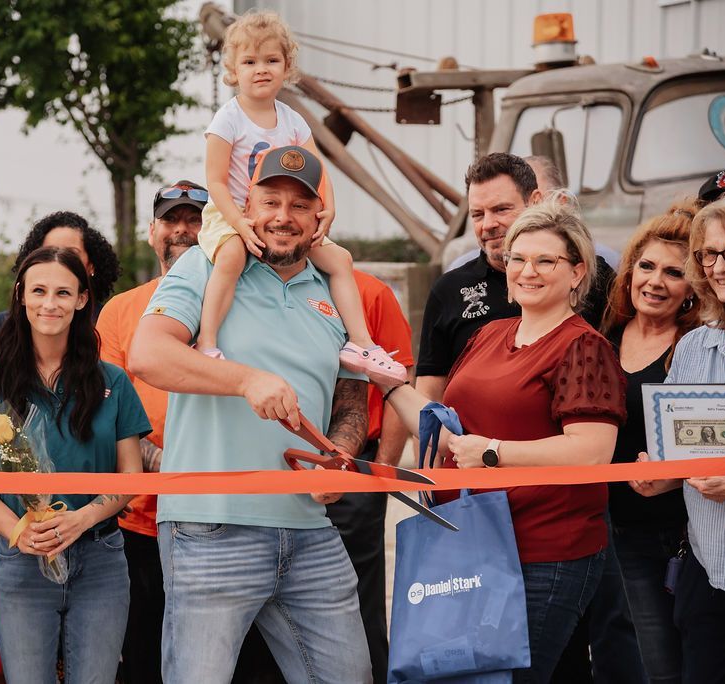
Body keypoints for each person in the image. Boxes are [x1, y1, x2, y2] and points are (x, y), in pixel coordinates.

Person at [129, 145, 374, 683]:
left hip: (310, 530)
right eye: (270, 201)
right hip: (210, 527)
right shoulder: (208, 262)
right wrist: (245, 380)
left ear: (318, 217)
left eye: (299, 205)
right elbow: (148, 355)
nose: (282, 217)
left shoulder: (336, 287)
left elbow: (353, 399)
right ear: (247, 204)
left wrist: (340, 454)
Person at [384, 196, 627, 682]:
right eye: (518, 258)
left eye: (545, 260)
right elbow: (452, 434)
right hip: (469, 542)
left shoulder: (583, 347)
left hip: (542, 553)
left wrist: (494, 451)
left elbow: (593, 450)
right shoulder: (491, 333)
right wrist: (387, 382)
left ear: (578, 273)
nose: (527, 270)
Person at [0, 245, 148, 683]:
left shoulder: (112, 382)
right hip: (22, 560)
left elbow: (131, 474)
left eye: (63, 293)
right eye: (39, 291)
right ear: (21, 296)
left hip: (100, 556)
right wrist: (19, 531)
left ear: (82, 299)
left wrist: (82, 519)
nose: (50, 303)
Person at [198, 10, 404, 385]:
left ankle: (359, 343)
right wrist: (238, 223)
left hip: (283, 217)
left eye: (271, 60)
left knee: (340, 259)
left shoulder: (292, 121)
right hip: (232, 212)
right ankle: (208, 342)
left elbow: (318, 169)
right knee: (230, 256)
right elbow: (215, 182)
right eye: (250, 62)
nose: (261, 69)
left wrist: (328, 210)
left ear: (287, 66)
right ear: (233, 70)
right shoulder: (227, 119)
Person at [95, 180, 206, 683]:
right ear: (151, 232)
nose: (182, 230)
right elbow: (107, 411)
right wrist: (165, 462)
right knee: (143, 654)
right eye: (171, 220)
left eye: (195, 219)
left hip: (224, 513)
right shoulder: (120, 310)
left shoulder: (238, 300)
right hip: (141, 520)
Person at [416, 152, 614, 403]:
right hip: (470, 440)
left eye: (501, 209)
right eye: (477, 214)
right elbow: (428, 399)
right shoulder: (450, 290)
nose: (488, 224)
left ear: (535, 201)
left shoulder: (595, 276)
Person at [599, 199, 701, 682]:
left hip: (686, 532)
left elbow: (719, 441)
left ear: (692, 288)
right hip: (618, 531)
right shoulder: (604, 335)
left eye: (673, 272)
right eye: (646, 265)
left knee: (689, 661)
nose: (655, 281)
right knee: (647, 663)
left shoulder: (699, 345)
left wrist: (672, 476)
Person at [662, 194, 725, 681]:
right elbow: (681, 448)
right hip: (708, 569)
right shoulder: (695, 347)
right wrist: (656, 472)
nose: (719, 267)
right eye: (708, 255)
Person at [328, 269, 414, 684]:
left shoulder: (371, 293)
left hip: (355, 466)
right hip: (282, 466)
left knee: (358, 600)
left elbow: (398, 380)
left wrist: (379, 471)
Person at [0, 211, 120, 361]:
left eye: (71, 253)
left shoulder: (110, 321)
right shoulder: (5, 325)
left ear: (92, 266)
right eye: (49, 252)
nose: (59, 260)